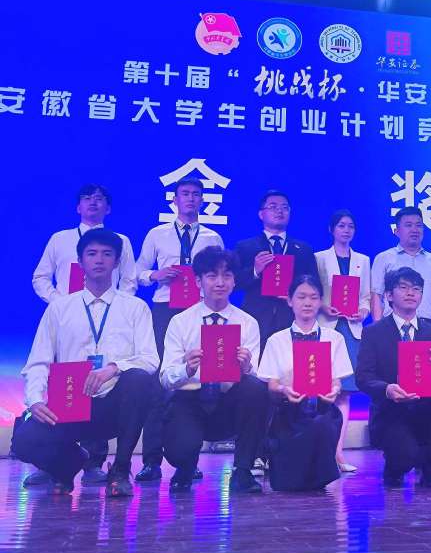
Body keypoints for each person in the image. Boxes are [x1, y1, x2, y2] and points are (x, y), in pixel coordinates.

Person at [13, 229, 158, 496]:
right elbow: (38, 362)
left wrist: (113, 368)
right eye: (92, 254)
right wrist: (35, 401)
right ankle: (67, 467)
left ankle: (120, 470)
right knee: (22, 442)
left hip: (114, 405)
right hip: (70, 401)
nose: (99, 260)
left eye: (107, 254)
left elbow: (150, 359)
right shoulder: (59, 308)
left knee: (138, 379)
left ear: (117, 262)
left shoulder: (135, 307)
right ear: (80, 262)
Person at [28, 183, 137, 487]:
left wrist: (115, 309)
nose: (93, 203)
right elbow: (40, 277)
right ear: (78, 206)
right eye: (87, 199)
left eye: (100, 199)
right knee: (61, 387)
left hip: (108, 319)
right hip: (68, 322)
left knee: (100, 386)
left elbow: (129, 281)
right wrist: (61, 303)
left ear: (108, 208)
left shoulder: (122, 242)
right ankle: (53, 463)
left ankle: (94, 464)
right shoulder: (60, 239)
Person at [134, 177, 224, 483]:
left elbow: (220, 274)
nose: (191, 199)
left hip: (199, 312)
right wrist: (156, 275)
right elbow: (138, 272)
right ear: (174, 199)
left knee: (197, 378)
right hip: (164, 310)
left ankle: (189, 460)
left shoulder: (212, 237)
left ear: (202, 200)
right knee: (158, 384)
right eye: (185, 194)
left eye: (196, 194)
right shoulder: (157, 234)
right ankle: (151, 461)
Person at [160, 246, 266, 494]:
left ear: (234, 280)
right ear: (198, 281)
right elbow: (165, 378)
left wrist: (246, 367)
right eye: (212, 276)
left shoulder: (248, 323)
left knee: (255, 388)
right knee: (181, 447)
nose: (220, 282)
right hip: (191, 400)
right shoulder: (180, 322)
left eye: (227, 275)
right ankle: (185, 467)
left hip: (229, 402)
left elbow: (256, 377)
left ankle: (242, 470)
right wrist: (187, 368)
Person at [356, 267, 431, 488]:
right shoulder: (373, 332)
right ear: (389, 295)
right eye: (403, 287)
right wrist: (387, 389)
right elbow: (363, 378)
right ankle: (395, 465)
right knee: (404, 457)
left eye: (416, 289)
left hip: (425, 410)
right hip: (391, 411)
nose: (411, 293)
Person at [259, 274, 352, 491]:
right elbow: (271, 385)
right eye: (301, 297)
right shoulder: (276, 340)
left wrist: (334, 390)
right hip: (288, 413)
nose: (308, 303)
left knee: (321, 424)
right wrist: (284, 389)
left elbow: (336, 381)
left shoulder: (334, 338)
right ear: (289, 300)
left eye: (313, 297)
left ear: (320, 301)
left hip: (322, 409)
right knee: (288, 485)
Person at [315, 210, 371, 474]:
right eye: (341, 226)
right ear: (331, 229)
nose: (346, 230)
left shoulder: (363, 260)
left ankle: (338, 453)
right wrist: (323, 306)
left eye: (350, 226)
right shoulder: (319, 258)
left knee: (344, 392)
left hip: (351, 330)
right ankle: (318, 451)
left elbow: (366, 296)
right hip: (326, 326)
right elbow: (313, 292)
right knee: (322, 389)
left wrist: (363, 311)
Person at [234, 189, 320, 350]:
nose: (279, 211)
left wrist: (295, 294)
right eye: (273, 207)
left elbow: (315, 284)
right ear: (261, 214)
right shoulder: (245, 247)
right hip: (256, 317)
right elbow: (233, 282)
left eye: (284, 207)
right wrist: (255, 270)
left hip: (292, 316)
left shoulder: (303, 249)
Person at [370, 207, 431, 328]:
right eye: (408, 225)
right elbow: (377, 295)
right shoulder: (383, 258)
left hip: (427, 326)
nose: (414, 230)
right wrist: (378, 327)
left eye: (419, 225)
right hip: (393, 325)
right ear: (397, 231)